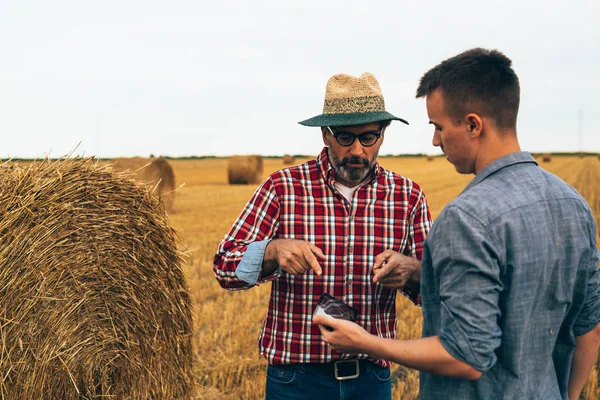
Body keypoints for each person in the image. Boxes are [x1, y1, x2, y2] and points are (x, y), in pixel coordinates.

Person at [314, 48, 600, 400]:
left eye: (438, 127)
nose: (435, 141)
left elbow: (467, 356)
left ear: (473, 124)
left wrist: (365, 342)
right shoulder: (574, 205)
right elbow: (589, 331)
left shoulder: (466, 217)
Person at [213, 72, 432, 399]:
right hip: (295, 381)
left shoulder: (407, 196)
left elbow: (440, 291)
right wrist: (272, 250)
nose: (357, 150)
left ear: (383, 135)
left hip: (370, 379)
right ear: (325, 135)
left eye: (369, 137)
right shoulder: (283, 188)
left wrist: (413, 271)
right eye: (345, 137)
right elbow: (224, 266)